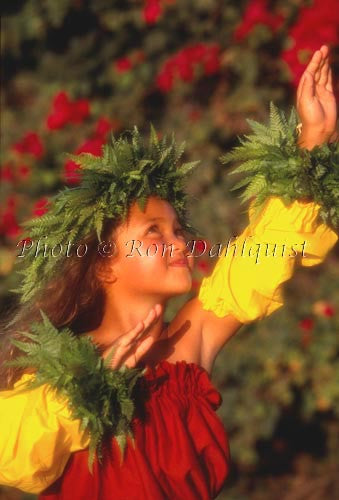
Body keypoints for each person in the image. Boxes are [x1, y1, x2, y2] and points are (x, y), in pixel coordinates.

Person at [0, 45, 338, 499]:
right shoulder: (55, 368)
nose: (179, 242)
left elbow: (258, 260)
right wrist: (81, 390)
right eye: (154, 232)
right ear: (102, 262)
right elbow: (13, 454)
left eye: (178, 229)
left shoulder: (186, 347)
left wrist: (312, 138)